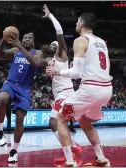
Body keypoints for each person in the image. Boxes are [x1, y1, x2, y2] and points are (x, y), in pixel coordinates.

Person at [46, 13, 112, 167]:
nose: (76, 24)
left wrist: (58, 72)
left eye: (77, 22)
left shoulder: (80, 40)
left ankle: (70, 161)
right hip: (106, 90)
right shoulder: (102, 42)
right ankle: (101, 159)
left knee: (57, 120)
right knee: (85, 121)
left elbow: (76, 73)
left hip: (91, 89)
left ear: (81, 23)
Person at [0, 31, 50, 162]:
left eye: (29, 38)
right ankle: (0, 130)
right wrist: (3, 40)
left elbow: (35, 63)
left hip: (24, 88)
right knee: (2, 99)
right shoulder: (15, 50)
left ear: (33, 41)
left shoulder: (37, 52)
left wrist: (20, 46)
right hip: (11, 83)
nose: (26, 39)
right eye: (24, 38)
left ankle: (14, 150)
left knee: (20, 118)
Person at [42, 4, 82, 159]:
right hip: (60, 94)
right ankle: (73, 148)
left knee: (53, 122)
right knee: (60, 124)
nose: (52, 45)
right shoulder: (51, 60)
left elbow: (59, 33)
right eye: (51, 44)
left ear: (60, 48)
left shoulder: (62, 55)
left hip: (65, 94)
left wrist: (51, 16)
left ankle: (72, 150)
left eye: (55, 44)